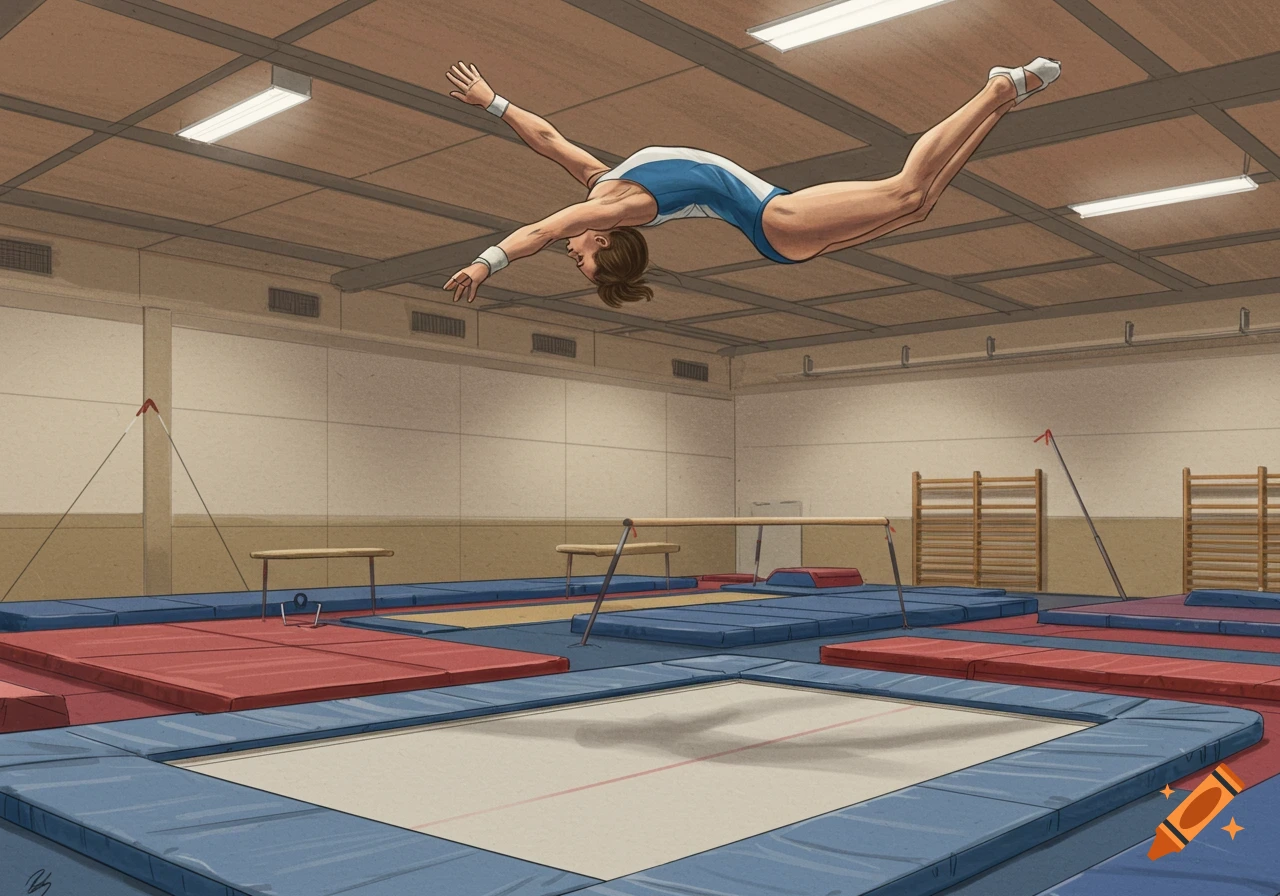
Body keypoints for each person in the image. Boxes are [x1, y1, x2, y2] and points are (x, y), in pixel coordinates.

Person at [443, 58, 1060, 307]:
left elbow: (549, 140)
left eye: (577, 259)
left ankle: (1004, 101)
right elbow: (541, 229)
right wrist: (487, 264)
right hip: (777, 220)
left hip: (778, 232)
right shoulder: (622, 207)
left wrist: (495, 103)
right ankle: (997, 89)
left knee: (917, 204)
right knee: (905, 189)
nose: (569, 252)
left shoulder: (607, 185)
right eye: (581, 262)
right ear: (603, 241)